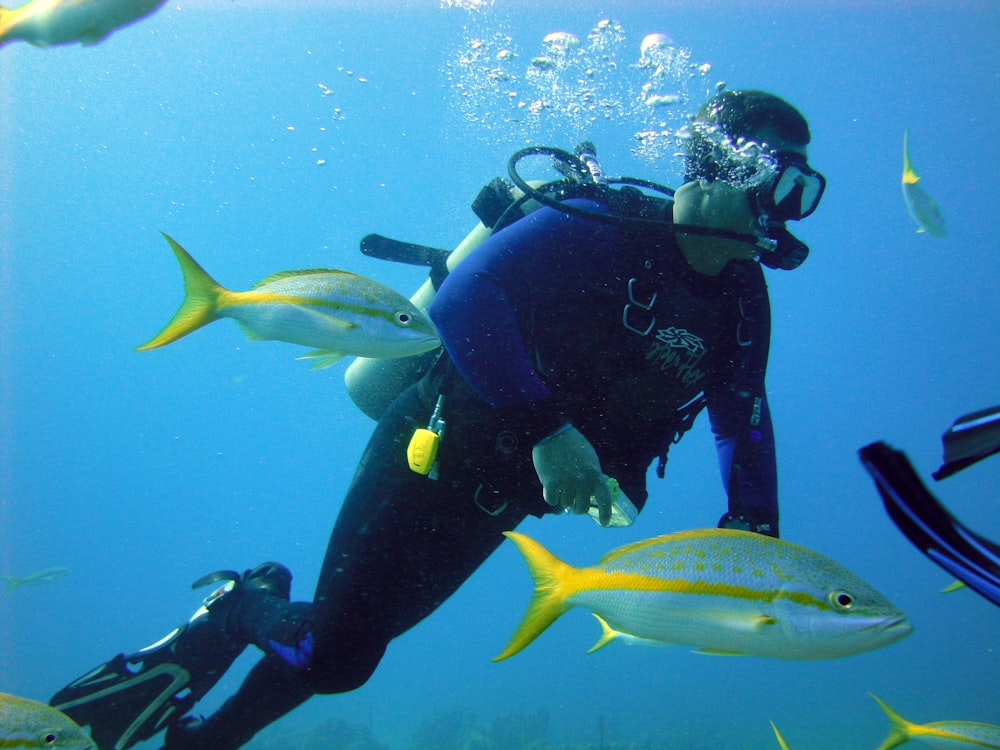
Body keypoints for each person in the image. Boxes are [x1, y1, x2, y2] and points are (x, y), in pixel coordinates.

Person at [50, 89, 826, 750]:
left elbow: (741, 414)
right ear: (732, 166)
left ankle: (205, 741)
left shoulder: (744, 300)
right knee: (341, 655)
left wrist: (755, 528)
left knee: (347, 646)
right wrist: (549, 434)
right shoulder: (599, 224)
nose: (792, 215)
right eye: (790, 186)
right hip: (432, 449)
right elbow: (463, 302)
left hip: (504, 498)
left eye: (806, 195)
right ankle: (238, 607)